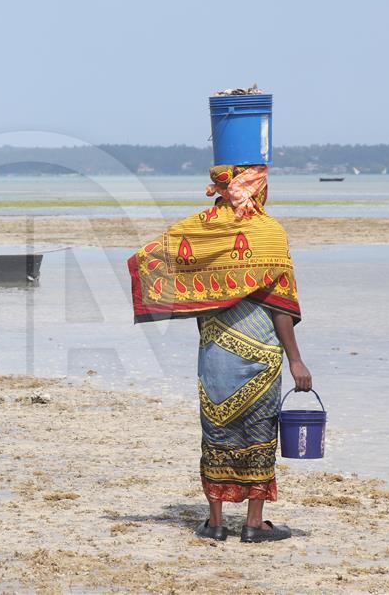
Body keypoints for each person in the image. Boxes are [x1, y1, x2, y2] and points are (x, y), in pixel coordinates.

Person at [127, 164, 311, 544]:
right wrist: (296, 359)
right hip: (260, 350)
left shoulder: (201, 231)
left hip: (214, 349)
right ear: (259, 191)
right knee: (259, 432)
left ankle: (214, 523)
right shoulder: (269, 234)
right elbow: (281, 307)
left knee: (217, 431)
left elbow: (158, 263)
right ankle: (253, 524)